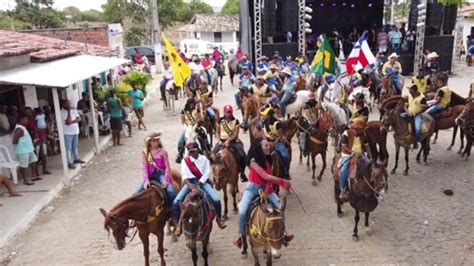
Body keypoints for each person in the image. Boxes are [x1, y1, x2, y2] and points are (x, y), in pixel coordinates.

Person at [233, 137, 293, 248]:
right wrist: (282, 181)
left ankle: (283, 232)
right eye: (266, 145)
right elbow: (265, 176)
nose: (269, 147)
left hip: (267, 189)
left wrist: (266, 191)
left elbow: (268, 179)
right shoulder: (253, 161)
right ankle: (241, 235)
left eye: (269, 145)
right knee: (242, 211)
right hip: (252, 189)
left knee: (280, 208)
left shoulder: (269, 159)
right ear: (259, 148)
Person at [173, 142, 227, 236]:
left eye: (193, 151)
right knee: (175, 202)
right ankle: (178, 224)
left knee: (216, 199)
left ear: (197, 150)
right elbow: (184, 174)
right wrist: (190, 185)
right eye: (190, 152)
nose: (192, 154)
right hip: (190, 183)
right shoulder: (185, 161)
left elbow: (206, 173)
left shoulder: (204, 159)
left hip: (202, 182)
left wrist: (199, 184)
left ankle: (219, 219)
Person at [135, 133, 177, 205]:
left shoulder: (163, 151)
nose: (156, 143)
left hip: (160, 174)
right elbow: (144, 167)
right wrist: (146, 180)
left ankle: (173, 210)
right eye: (154, 141)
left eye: (157, 140)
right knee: (135, 194)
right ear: (149, 142)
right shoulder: (145, 152)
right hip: (150, 175)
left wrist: (166, 180)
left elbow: (167, 167)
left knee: (171, 191)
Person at [338, 120, 372, 199]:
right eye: (361, 129)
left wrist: (370, 157)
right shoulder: (346, 133)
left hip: (360, 154)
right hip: (348, 154)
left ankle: (371, 186)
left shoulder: (363, 134)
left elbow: (367, 146)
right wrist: (352, 153)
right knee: (344, 169)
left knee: (370, 166)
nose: (362, 131)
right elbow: (343, 147)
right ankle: (342, 189)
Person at [213, 105, 248, 182]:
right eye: (227, 113)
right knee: (212, 155)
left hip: (233, 141)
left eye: (230, 112)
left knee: (242, 155)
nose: (228, 114)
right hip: (221, 141)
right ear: (224, 113)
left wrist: (228, 140)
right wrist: (219, 141)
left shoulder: (236, 121)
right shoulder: (220, 121)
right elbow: (217, 132)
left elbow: (236, 134)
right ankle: (215, 174)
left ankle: (242, 172)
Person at [260, 107, 290, 178]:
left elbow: (280, 135)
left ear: (269, 115)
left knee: (285, 155)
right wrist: (266, 142)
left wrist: (274, 143)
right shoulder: (264, 122)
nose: (263, 116)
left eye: (265, 114)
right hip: (267, 141)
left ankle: (286, 171)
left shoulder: (277, 124)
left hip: (277, 142)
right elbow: (263, 133)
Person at [12, 114, 41, 185]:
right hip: (23, 150)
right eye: (26, 119)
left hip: (29, 149)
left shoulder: (22, 127)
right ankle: (25, 180)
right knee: (23, 165)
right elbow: (14, 141)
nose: (27, 121)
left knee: (34, 161)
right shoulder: (19, 129)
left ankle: (34, 176)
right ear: (21, 120)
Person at [176, 98, 202, 163]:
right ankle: (180, 154)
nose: (192, 105)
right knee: (181, 142)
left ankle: (207, 150)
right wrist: (186, 126)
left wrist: (195, 123)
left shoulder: (197, 110)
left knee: (203, 138)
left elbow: (199, 118)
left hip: (195, 127)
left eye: (193, 104)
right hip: (187, 128)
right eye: (190, 104)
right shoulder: (184, 111)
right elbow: (183, 121)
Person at [61, 100, 85, 169]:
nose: (69, 105)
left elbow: (79, 119)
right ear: (63, 105)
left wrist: (72, 121)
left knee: (75, 146)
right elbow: (67, 121)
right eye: (67, 104)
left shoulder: (73, 110)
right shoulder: (61, 112)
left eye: (69, 104)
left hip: (75, 131)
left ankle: (76, 158)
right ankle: (69, 162)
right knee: (68, 148)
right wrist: (68, 112)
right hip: (67, 132)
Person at [402, 85, 427, 149]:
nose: (409, 91)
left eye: (410, 89)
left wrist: (416, 114)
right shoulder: (410, 96)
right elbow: (405, 105)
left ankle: (415, 142)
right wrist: (407, 111)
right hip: (409, 113)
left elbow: (424, 108)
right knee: (399, 118)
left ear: (414, 90)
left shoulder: (422, 98)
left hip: (417, 115)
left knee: (418, 128)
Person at [300, 92, 319, 156]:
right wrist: (311, 122)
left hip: (316, 120)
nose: (312, 101)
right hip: (307, 122)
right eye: (310, 99)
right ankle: (304, 149)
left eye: (313, 99)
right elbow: (307, 115)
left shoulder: (316, 103)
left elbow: (320, 111)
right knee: (305, 134)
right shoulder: (306, 106)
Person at [34, 107, 51, 175]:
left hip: (43, 138)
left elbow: (47, 130)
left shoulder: (43, 119)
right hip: (36, 140)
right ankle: (36, 172)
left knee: (44, 155)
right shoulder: (34, 120)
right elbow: (34, 129)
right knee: (36, 156)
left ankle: (44, 169)